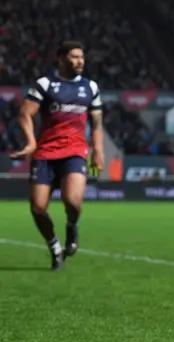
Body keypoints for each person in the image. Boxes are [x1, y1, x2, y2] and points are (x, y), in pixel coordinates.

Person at [10, 41, 103, 270]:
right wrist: (31, 142)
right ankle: (54, 246)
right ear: (61, 59)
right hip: (45, 153)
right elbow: (24, 114)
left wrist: (98, 151)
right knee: (38, 208)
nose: (80, 61)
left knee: (72, 201)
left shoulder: (90, 87)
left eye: (82, 57)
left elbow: (97, 123)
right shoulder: (45, 84)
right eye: (74, 57)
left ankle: (72, 225)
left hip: (75, 151)